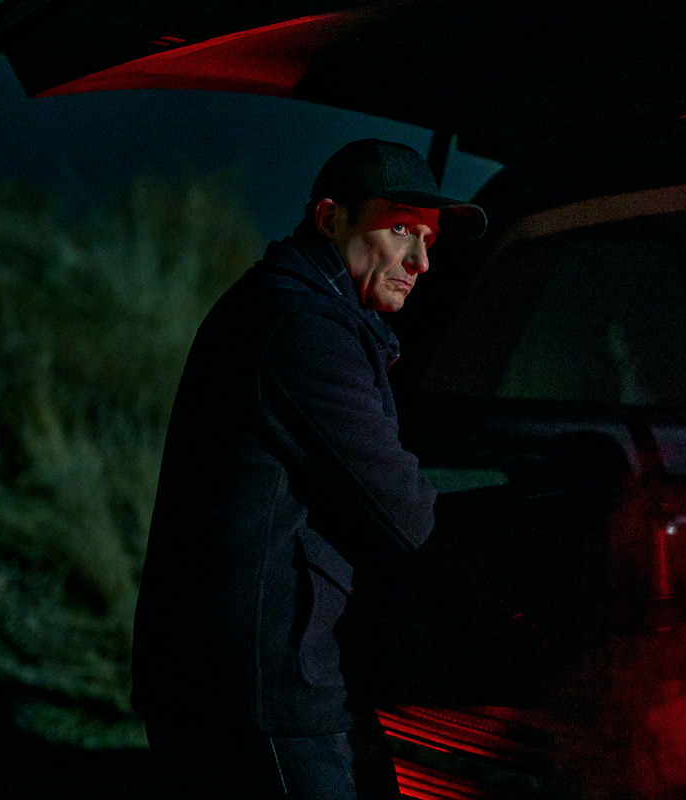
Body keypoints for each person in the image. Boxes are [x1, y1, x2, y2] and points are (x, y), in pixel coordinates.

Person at [130, 138, 486, 799]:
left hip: (249, 677)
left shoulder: (296, 310)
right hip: (257, 691)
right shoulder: (302, 329)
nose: (421, 261)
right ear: (329, 219)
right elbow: (397, 506)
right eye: (402, 230)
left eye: (429, 240)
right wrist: (508, 610)